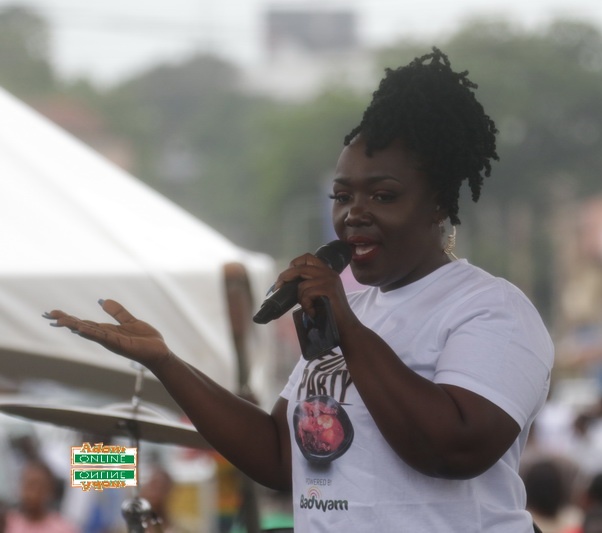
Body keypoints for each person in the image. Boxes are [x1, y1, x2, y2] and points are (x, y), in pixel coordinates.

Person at [44, 47, 554, 532]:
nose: (353, 214)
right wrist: (166, 363)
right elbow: (280, 455)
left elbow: (455, 448)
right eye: (342, 196)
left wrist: (346, 328)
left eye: (383, 195)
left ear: (438, 203)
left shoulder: (490, 310)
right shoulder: (349, 310)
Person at [5, 459, 78, 533]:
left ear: (49, 490)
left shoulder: (63, 528)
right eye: (29, 485)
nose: (33, 493)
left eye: (39, 487)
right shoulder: (7, 524)